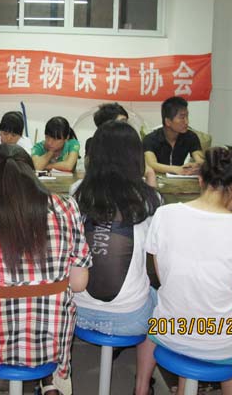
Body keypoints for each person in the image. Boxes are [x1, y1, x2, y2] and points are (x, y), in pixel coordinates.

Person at [0, 144, 91, 395]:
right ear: (31, 172)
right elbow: (80, 283)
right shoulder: (66, 207)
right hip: (51, 341)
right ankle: (49, 381)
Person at [145, 147, 232, 395]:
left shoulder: (164, 214)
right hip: (219, 339)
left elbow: (164, 278)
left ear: (200, 179)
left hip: (168, 330)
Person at [73, 121, 161, 395]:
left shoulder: (77, 192)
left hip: (77, 312)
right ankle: (141, 387)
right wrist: (151, 183)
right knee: (161, 302)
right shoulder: (149, 199)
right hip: (129, 318)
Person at [143, 96, 204, 175]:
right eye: (182, 117)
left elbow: (200, 159)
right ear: (168, 122)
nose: (187, 122)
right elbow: (151, 164)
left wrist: (196, 166)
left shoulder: (191, 136)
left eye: (187, 116)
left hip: (181, 180)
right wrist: (176, 169)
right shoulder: (150, 139)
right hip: (158, 179)